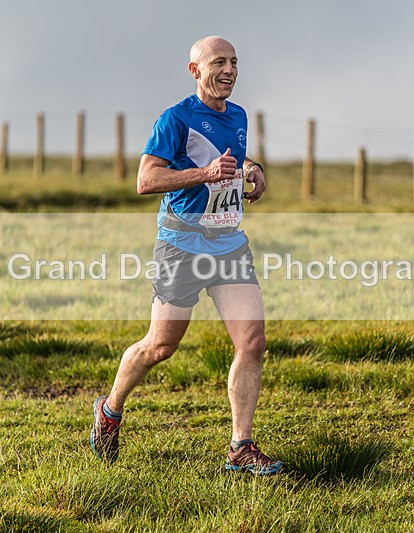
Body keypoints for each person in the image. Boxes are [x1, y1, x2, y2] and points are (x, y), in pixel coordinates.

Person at [90, 36, 282, 475]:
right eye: (219, 62)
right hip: (180, 245)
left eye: (234, 62)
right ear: (195, 70)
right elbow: (146, 180)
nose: (230, 70)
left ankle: (241, 448)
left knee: (252, 341)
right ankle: (110, 409)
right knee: (160, 346)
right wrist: (205, 175)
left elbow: (228, 154)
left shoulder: (237, 115)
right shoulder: (174, 118)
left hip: (228, 242)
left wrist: (251, 169)